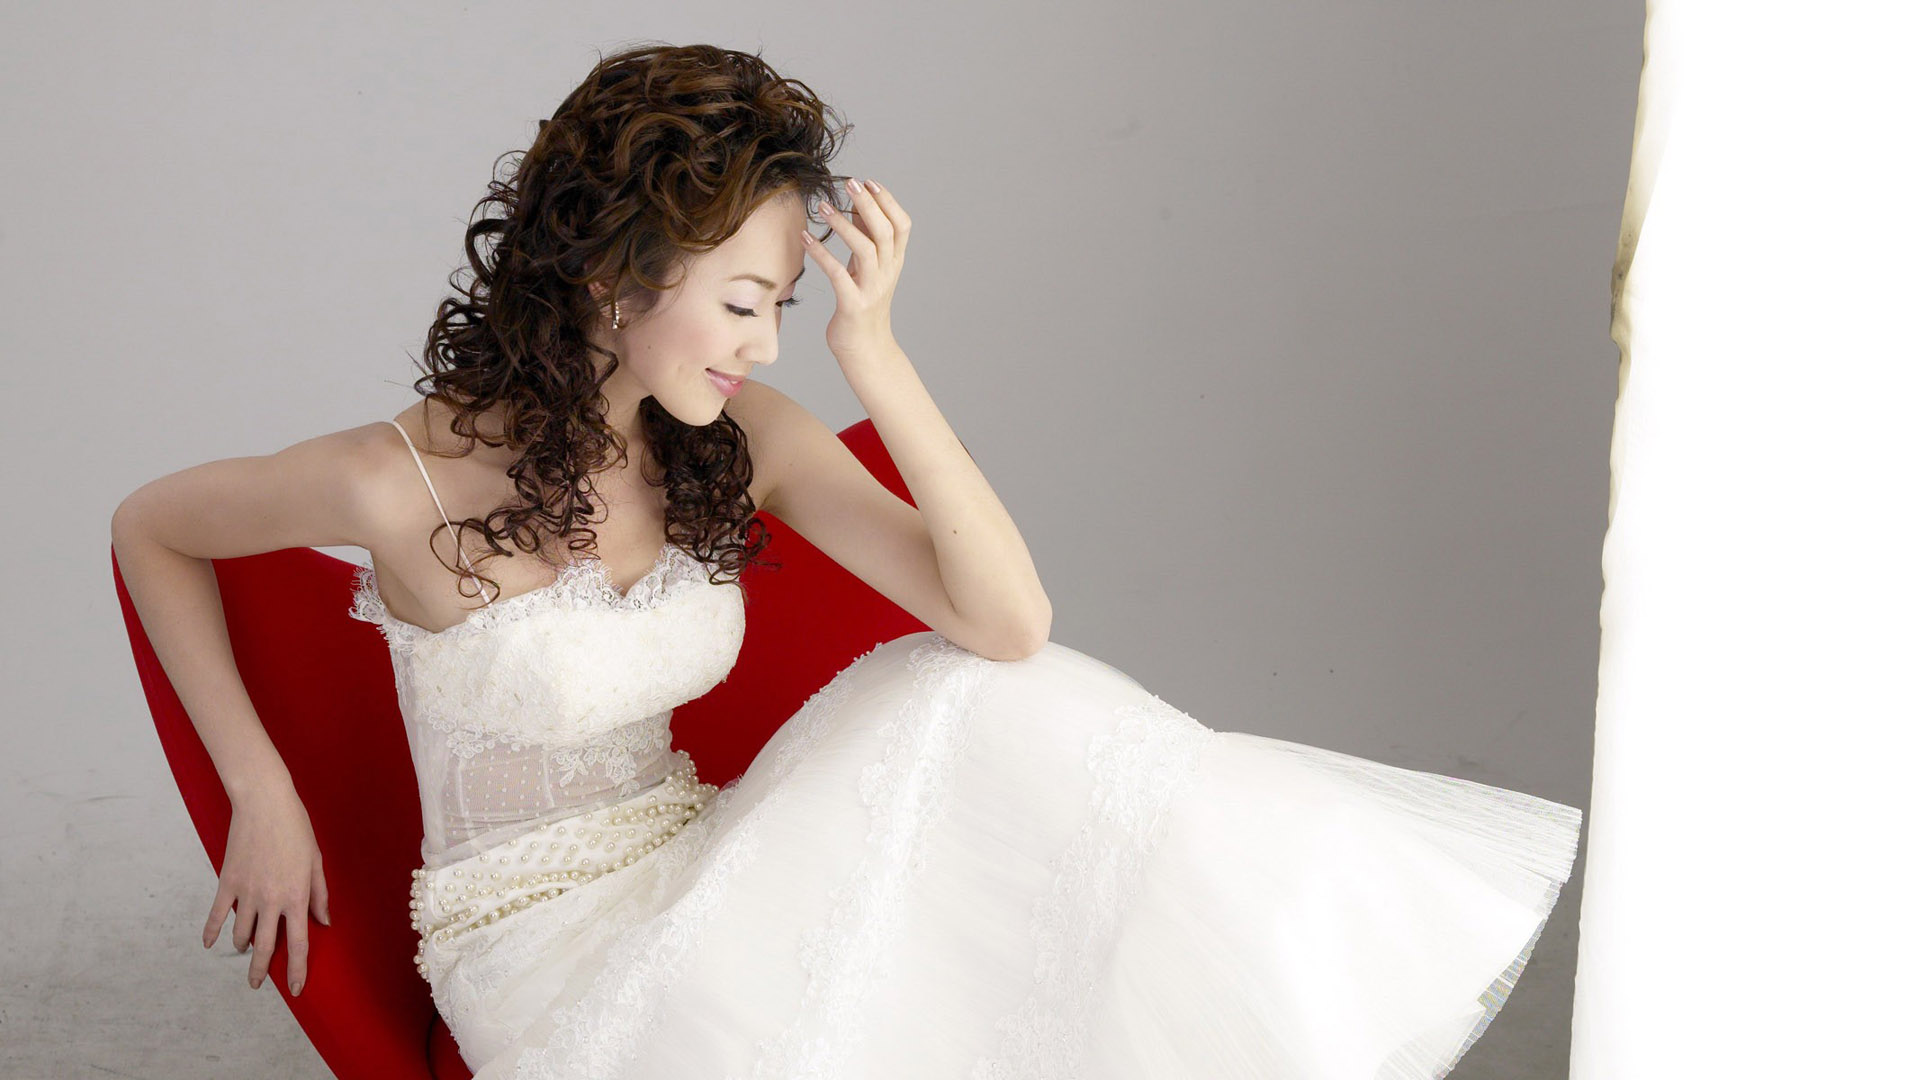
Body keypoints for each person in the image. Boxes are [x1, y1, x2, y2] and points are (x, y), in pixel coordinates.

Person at [110, 42, 1584, 1079]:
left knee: (976, 699)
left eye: (783, 310)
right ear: (617, 276)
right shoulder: (395, 478)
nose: (767, 346)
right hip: (535, 952)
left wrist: (876, 355)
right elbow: (151, 528)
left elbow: (1008, 624)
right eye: (744, 302)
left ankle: (1305, 964)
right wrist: (259, 789)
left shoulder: (738, 438)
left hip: (701, 863)